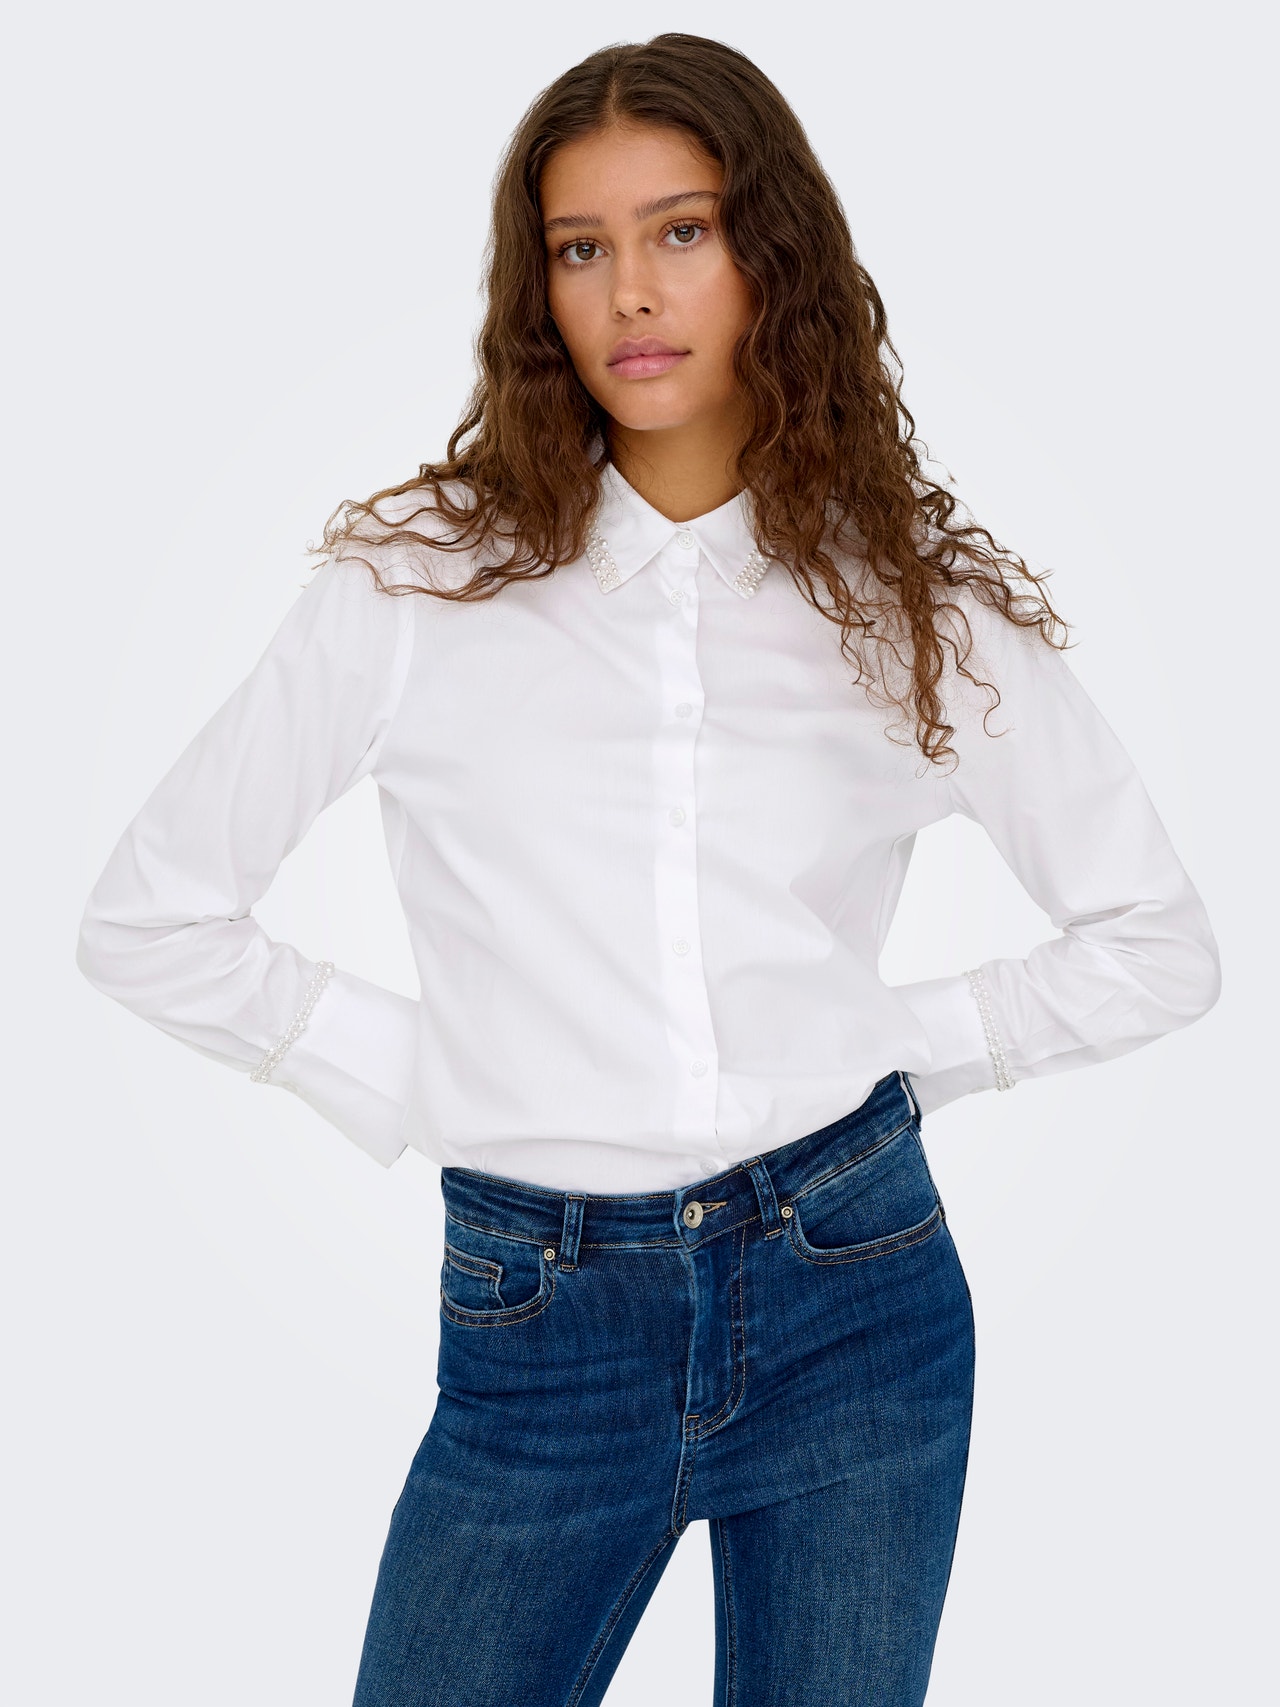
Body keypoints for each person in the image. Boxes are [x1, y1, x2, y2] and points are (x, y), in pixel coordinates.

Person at [75, 32, 1221, 1707]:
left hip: (858, 1300)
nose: (631, 291)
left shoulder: (914, 604)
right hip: (540, 1325)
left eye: (682, 230)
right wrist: (436, 1075)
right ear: (535, 289)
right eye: (580, 247)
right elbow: (151, 919)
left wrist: (885, 1050)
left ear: (773, 254)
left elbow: (1154, 942)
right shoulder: (416, 585)